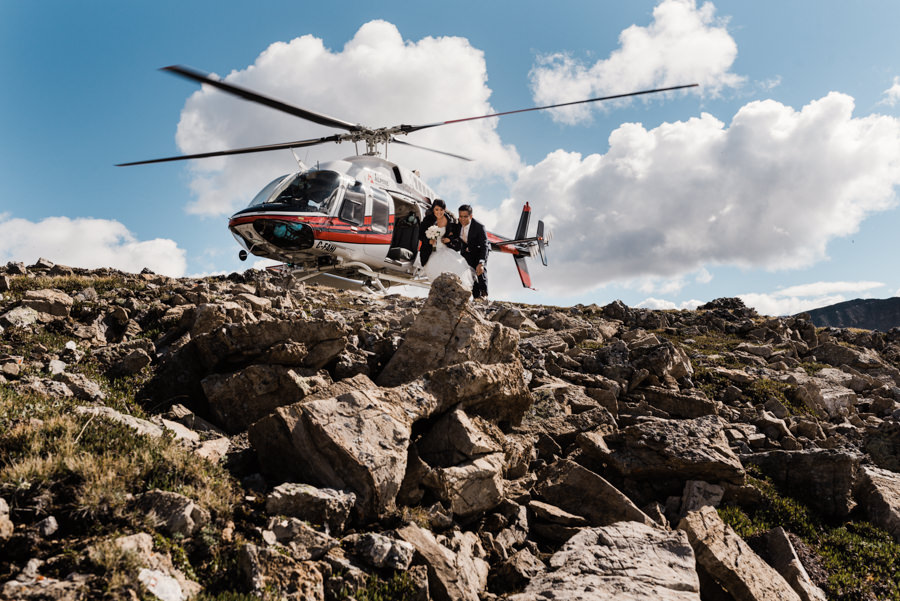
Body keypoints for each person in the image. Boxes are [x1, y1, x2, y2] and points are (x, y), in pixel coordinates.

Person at [417, 199, 474, 290]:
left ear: (444, 209)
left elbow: (456, 234)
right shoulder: (428, 220)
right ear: (433, 209)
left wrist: (449, 239)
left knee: (456, 265)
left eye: (441, 210)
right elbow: (420, 235)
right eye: (436, 209)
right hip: (430, 251)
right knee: (435, 268)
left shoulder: (449, 220)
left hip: (444, 248)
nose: (439, 212)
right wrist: (428, 241)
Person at [456, 204, 489, 299]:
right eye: (460, 216)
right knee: (469, 275)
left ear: (471, 216)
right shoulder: (458, 225)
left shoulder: (479, 227)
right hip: (466, 253)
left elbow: (485, 245)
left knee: (480, 272)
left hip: (479, 252)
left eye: (465, 217)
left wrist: (482, 262)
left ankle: (484, 295)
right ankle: (476, 297)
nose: (462, 219)